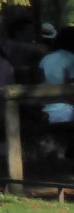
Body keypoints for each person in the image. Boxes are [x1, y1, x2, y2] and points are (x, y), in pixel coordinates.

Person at [39, 26, 74, 158]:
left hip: (46, 107)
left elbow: (40, 81)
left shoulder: (46, 59)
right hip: (66, 108)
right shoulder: (72, 58)